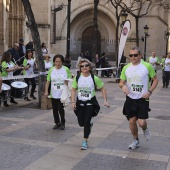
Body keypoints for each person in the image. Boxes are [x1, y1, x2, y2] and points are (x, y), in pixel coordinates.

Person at [119, 47, 158, 150]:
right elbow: (121, 82)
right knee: (132, 121)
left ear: (140, 55)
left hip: (142, 98)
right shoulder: (126, 67)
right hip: (130, 98)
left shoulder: (147, 66)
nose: (133, 57)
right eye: (131, 55)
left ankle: (145, 129)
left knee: (141, 122)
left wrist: (150, 91)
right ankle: (136, 140)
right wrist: (123, 86)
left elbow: (155, 80)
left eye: (135, 55)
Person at [71, 58, 110, 150]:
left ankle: (85, 141)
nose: (84, 67)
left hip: (90, 103)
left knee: (87, 121)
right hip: (80, 102)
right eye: (82, 66)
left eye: (86, 65)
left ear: (89, 67)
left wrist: (105, 100)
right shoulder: (77, 78)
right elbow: (73, 90)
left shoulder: (94, 78)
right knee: (81, 123)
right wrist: (73, 102)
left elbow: (103, 88)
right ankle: (89, 125)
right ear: (80, 68)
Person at [44, 54, 72, 130]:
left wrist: (68, 82)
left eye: (59, 61)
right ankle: (57, 123)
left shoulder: (66, 69)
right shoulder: (51, 70)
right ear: (54, 62)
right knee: (55, 109)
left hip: (62, 93)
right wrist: (46, 91)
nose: (58, 63)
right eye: (56, 61)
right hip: (54, 92)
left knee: (60, 108)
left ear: (62, 62)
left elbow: (71, 79)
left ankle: (63, 122)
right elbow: (48, 81)